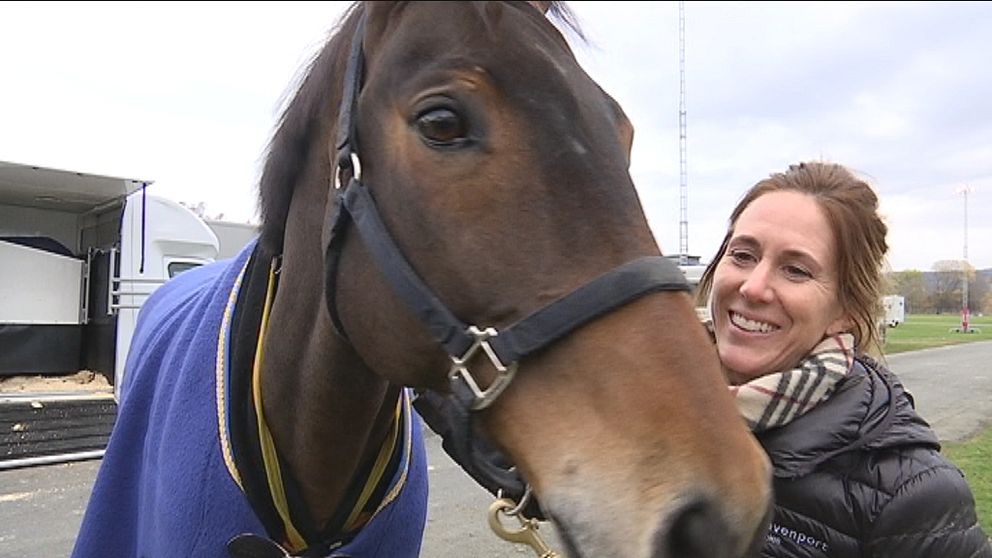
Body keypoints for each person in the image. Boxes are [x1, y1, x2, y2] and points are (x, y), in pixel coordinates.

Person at [695, 161, 991, 557]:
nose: (753, 287)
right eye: (743, 255)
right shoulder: (634, 413)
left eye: (796, 270)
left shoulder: (914, 496)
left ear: (846, 311)